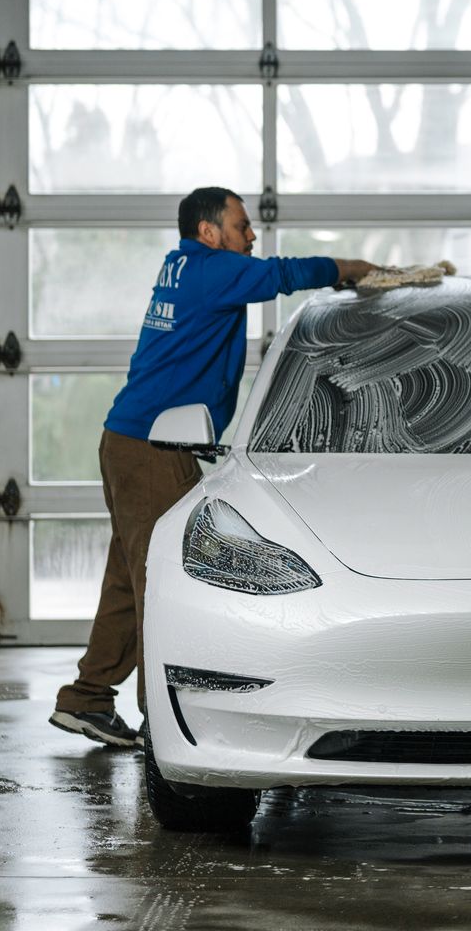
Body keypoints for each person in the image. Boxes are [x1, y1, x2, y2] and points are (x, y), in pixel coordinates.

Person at [50, 187, 376, 746]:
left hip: (129, 441)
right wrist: (352, 269)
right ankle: (165, 723)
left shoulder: (182, 266)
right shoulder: (209, 270)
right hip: (153, 448)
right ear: (209, 231)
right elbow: (284, 273)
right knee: (162, 583)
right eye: (241, 225)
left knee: (131, 579)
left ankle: (87, 698)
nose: (251, 236)